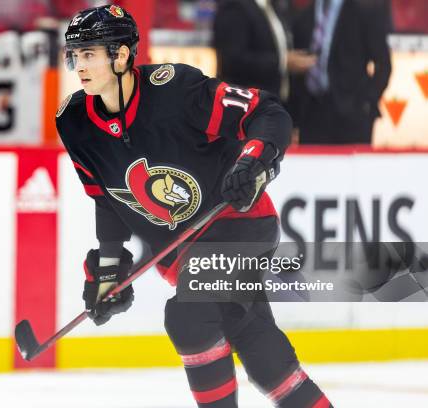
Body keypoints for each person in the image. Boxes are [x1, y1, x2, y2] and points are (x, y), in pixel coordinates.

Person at [56, 5, 332, 407]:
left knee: (190, 317)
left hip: (238, 224)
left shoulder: (176, 90)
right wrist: (110, 267)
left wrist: (253, 160)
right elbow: (105, 199)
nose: (78, 66)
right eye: (74, 56)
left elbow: (265, 112)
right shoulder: (75, 121)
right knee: (262, 353)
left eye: (89, 54)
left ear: (121, 55)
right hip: (182, 254)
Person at [291, 0, 391, 144]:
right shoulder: (304, 13)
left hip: (352, 113)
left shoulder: (363, 10)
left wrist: (366, 102)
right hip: (312, 113)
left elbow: (383, 64)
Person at [213, 0, 316, 104]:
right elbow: (232, 61)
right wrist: (283, 61)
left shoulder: (273, 6)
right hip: (247, 105)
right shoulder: (235, 6)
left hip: (276, 102)